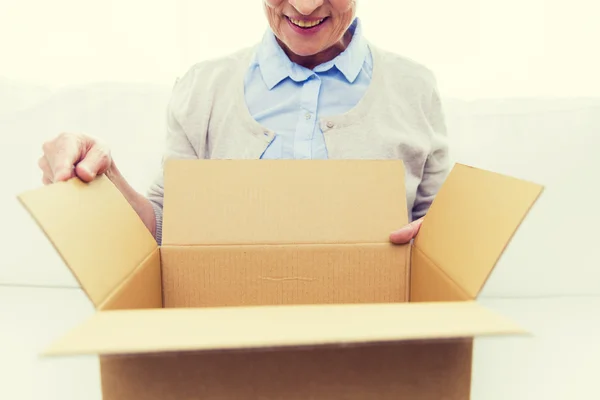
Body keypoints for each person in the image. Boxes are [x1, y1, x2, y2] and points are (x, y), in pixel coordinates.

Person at [38, 0, 450, 246]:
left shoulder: (415, 88)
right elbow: (166, 233)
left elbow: (440, 232)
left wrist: (439, 239)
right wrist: (104, 177)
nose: (304, 6)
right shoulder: (202, 89)